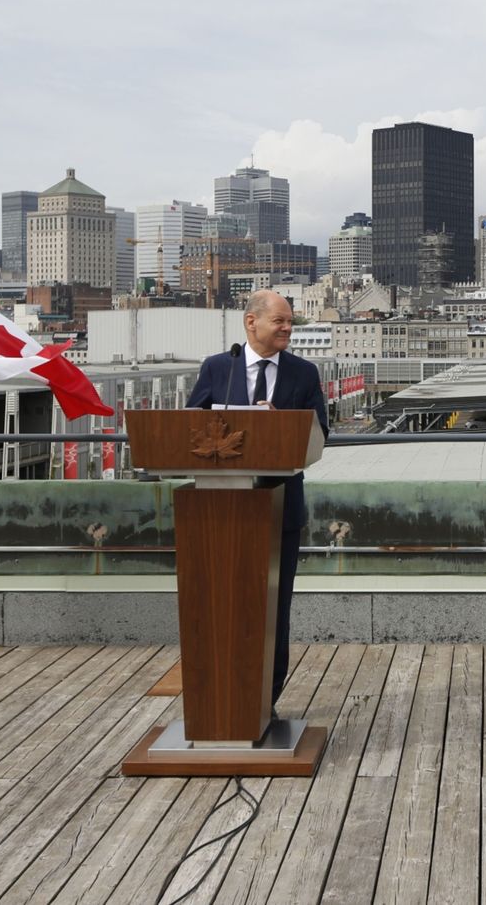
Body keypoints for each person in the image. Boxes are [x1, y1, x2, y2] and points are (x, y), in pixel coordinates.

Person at [188, 289, 328, 715]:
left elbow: (321, 435)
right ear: (252, 323)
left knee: (272, 607)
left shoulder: (304, 373)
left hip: (279, 509)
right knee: (220, 605)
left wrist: (278, 425)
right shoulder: (219, 367)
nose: (288, 329)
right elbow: (189, 429)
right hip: (220, 511)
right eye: (280, 322)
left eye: (290, 322)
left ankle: (265, 701)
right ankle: (221, 702)